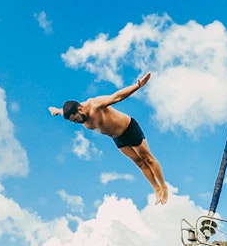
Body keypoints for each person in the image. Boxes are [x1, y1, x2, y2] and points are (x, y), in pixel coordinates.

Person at [50, 72, 168, 204]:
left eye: (76, 119)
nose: (76, 123)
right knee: (139, 163)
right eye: (73, 122)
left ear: (80, 109)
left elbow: (117, 97)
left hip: (129, 128)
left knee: (147, 159)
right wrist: (57, 110)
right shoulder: (74, 113)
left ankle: (163, 186)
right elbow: (64, 111)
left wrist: (137, 86)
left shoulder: (95, 104)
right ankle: (156, 189)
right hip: (117, 138)